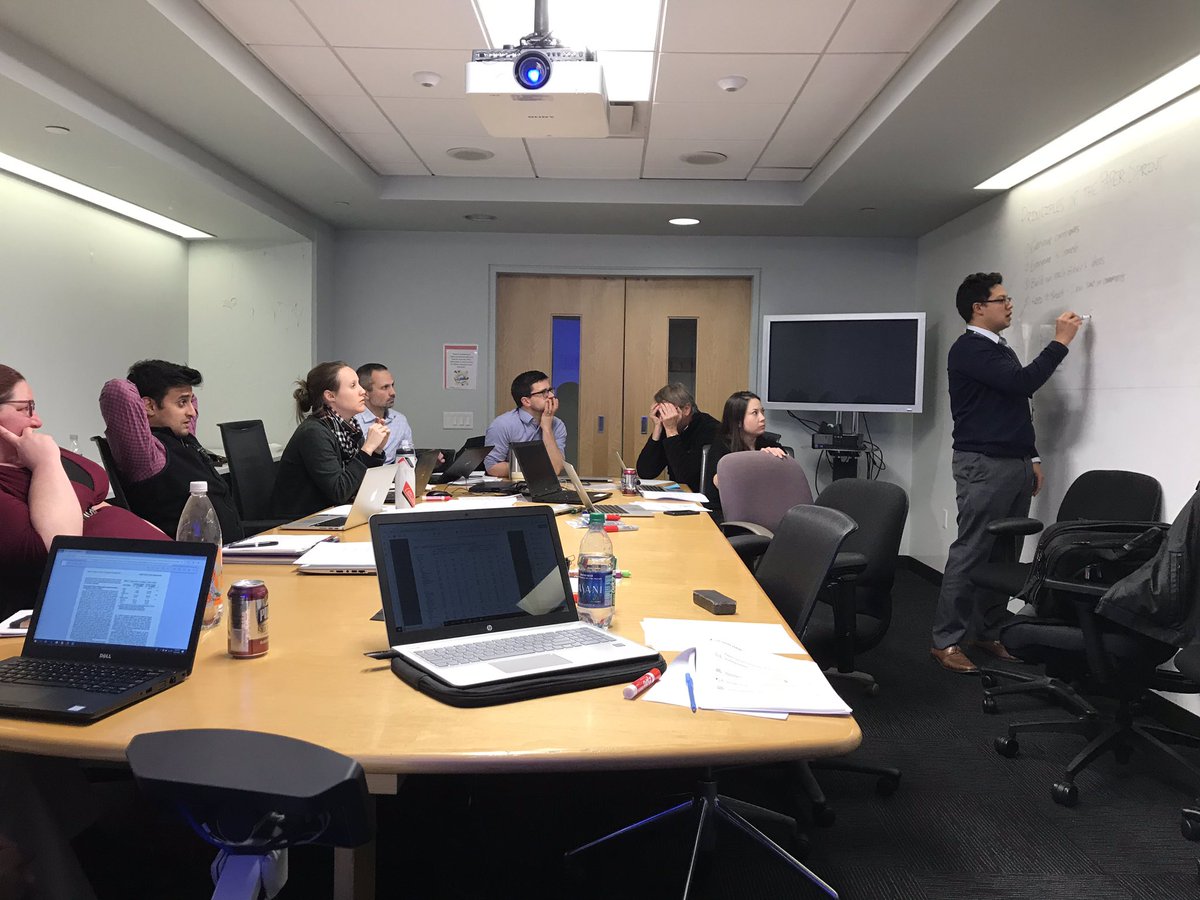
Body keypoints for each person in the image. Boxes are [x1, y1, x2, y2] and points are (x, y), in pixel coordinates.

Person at [931, 272, 1083, 674]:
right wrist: (1061, 341)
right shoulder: (969, 349)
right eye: (1003, 299)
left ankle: (988, 630)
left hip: (1012, 463)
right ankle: (946, 640)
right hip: (983, 464)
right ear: (979, 308)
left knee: (1004, 552)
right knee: (972, 550)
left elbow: (1015, 407)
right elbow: (1022, 383)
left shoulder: (998, 348)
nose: (1010, 305)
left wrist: (1031, 457)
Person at [1, 365, 165, 617]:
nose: (37, 421)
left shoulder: (32, 452)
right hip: (100, 607)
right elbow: (61, 547)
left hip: (156, 580)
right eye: (24, 409)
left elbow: (99, 502)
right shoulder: (41, 457)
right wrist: (46, 463)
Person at [99, 359, 243, 541]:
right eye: (182, 402)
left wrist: (183, 395)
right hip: (193, 556)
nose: (192, 412)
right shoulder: (150, 457)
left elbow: (190, 406)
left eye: (190, 401)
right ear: (149, 406)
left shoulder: (182, 439)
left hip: (231, 549)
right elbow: (117, 391)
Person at [271, 361, 389, 519]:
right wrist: (367, 449)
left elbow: (362, 486)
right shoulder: (314, 433)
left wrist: (376, 451)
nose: (363, 392)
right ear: (330, 396)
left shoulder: (350, 429)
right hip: (299, 522)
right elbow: (340, 491)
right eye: (353, 386)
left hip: (332, 515)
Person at [703, 391, 787, 512]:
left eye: (762, 412)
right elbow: (719, 485)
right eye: (755, 413)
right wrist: (757, 461)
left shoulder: (771, 446)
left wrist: (775, 460)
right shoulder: (721, 447)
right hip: (728, 513)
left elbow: (785, 485)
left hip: (767, 510)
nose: (762, 418)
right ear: (738, 421)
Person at [635, 383, 720, 490]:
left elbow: (687, 478)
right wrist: (657, 429)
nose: (663, 417)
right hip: (677, 491)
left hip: (699, 494)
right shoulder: (667, 425)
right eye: (659, 412)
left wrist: (671, 431)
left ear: (686, 409)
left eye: (666, 411)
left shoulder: (710, 429)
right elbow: (645, 472)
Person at [483, 370, 567, 477]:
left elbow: (556, 468)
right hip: (513, 483)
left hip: (546, 483)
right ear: (526, 401)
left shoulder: (557, 424)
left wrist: (547, 428)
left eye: (550, 390)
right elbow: (492, 467)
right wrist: (537, 468)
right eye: (543, 392)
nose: (551, 396)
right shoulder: (502, 424)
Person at [353, 363, 413, 464]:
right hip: (363, 472)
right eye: (385, 387)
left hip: (395, 473)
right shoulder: (353, 422)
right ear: (365, 393)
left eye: (392, 385)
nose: (393, 392)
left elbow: (408, 459)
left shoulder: (399, 420)